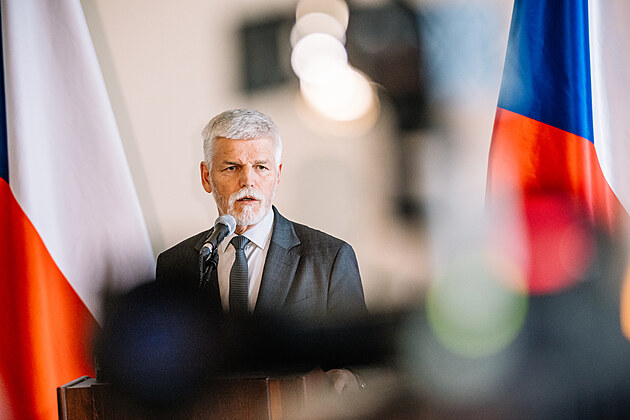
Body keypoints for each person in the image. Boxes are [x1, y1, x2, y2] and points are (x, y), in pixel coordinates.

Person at [155, 108, 367, 393]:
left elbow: (362, 368)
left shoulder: (330, 258)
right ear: (206, 177)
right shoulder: (176, 264)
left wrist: (348, 378)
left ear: (277, 176)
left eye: (260, 167)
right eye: (232, 167)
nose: (248, 181)